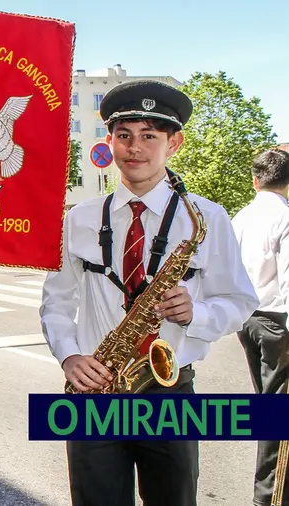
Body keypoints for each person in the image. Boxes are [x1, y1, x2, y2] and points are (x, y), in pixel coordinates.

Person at [39, 80, 259, 506]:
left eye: (149, 137)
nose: (134, 148)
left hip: (168, 390)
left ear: (173, 144)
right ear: (110, 141)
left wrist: (196, 312)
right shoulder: (79, 218)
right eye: (124, 136)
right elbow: (57, 300)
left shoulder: (207, 218)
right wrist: (69, 356)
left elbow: (240, 303)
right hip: (94, 390)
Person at [231, 147, 289, 506]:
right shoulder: (285, 218)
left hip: (248, 321)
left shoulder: (241, 217)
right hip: (278, 323)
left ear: (255, 180)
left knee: (269, 408)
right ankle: (270, 497)